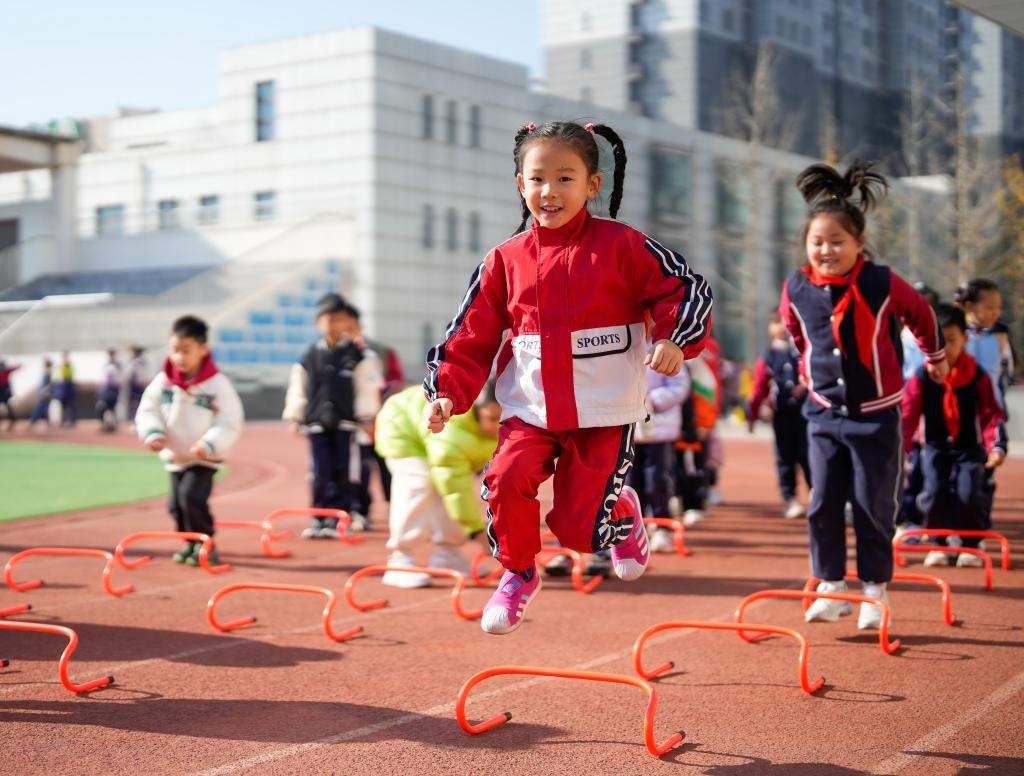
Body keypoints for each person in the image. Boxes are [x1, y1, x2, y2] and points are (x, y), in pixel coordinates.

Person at [424, 120, 713, 635]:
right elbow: (470, 333)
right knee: (505, 479)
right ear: (520, 185)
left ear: (592, 185)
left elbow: (686, 290)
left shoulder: (624, 246)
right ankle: (517, 574)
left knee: (582, 535)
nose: (549, 192)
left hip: (603, 412)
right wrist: (446, 392)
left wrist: (674, 339)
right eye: (536, 179)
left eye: (564, 178)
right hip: (530, 410)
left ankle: (620, 509)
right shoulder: (504, 261)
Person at [779, 160, 946, 630]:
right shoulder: (796, 285)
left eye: (837, 242)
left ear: (859, 244)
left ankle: (875, 591)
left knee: (873, 505)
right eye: (818, 243)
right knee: (823, 502)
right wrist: (809, 370)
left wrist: (935, 355)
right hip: (823, 413)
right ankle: (831, 587)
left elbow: (922, 315)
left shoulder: (881, 281)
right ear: (806, 246)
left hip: (876, 415)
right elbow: (795, 332)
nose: (826, 250)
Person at [901, 304, 1005, 567]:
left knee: (969, 492)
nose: (944, 349)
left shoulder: (976, 376)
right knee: (933, 491)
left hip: (968, 446)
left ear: (965, 340)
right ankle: (939, 542)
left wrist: (996, 446)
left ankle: (970, 544)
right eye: (938, 342)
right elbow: (908, 416)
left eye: (951, 341)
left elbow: (991, 413)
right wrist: (903, 450)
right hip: (934, 446)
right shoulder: (921, 377)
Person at [135, 316, 244, 566]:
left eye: (186, 351)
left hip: (203, 457)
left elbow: (230, 421)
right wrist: (153, 432)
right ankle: (189, 541)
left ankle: (207, 543)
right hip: (176, 456)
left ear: (203, 349)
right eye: (175, 350)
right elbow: (147, 409)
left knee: (191, 497)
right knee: (175, 506)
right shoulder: (163, 382)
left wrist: (209, 444)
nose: (180, 357)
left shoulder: (217, 385)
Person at [374, 383, 500, 587]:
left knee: (449, 490)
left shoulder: (496, 430)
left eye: (501, 420)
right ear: (477, 411)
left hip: (429, 434)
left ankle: (447, 554)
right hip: (401, 427)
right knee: (418, 484)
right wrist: (478, 533)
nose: (497, 426)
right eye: (492, 418)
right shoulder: (452, 434)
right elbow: (455, 489)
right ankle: (399, 559)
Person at [283, 294, 382, 539]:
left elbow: (365, 388)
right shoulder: (309, 356)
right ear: (318, 322)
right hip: (317, 423)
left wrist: (367, 416)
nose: (334, 325)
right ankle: (319, 519)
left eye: (339, 320)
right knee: (319, 472)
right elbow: (299, 387)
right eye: (328, 319)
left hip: (347, 424)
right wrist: (296, 416)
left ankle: (341, 517)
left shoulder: (357, 356)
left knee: (345, 472)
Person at [957, 278, 1012, 528]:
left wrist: (999, 413)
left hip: (987, 416)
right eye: (989, 306)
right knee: (948, 476)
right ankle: (944, 533)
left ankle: (978, 530)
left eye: (998, 307)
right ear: (968, 306)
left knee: (983, 475)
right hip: (956, 415)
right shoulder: (954, 336)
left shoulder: (1000, 336)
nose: (995, 312)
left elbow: (1005, 373)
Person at [747, 311, 810, 519]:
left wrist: (805, 386)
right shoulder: (769, 356)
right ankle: (790, 497)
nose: (781, 327)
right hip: (782, 413)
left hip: (807, 412)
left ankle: (817, 494)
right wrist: (752, 415)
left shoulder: (802, 349)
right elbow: (759, 386)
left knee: (809, 454)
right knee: (785, 456)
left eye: (784, 322)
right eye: (776, 322)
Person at [632, 344, 691, 552]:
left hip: (659, 430)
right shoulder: (622, 340)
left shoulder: (664, 345)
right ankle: (635, 527)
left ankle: (661, 525)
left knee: (658, 479)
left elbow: (679, 385)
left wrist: (651, 400)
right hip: (628, 430)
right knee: (630, 483)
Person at [96, 348, 121, 433]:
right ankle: (108, 425)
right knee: (105, 408)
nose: (111, 357)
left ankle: (111, 425)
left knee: (108, 407)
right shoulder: (107, 365)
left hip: (112, 389)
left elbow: (117, 380)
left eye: (112, 355)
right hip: (107, 389)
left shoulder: (116, 366)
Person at [28, 357, 54, 430]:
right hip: (45, 394)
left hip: (45, 395)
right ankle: (34, 422)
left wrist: (43, 393)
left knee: (40, 409)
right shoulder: (47, 372)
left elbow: (47, 385)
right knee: (42, 409)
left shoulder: (47, 373)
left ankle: (32, 422)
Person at [56, 351, 76, 427]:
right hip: (63, 387)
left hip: (68, 387)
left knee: (70, 405)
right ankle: (63, 420)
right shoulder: (62, 366)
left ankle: (71, 420)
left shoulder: (69, 366)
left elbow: (69, 376)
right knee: (63, 406)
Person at [0, 356, 20, 430]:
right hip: (5, 390)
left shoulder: (6, 370)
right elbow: (15, 367)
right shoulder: (6, 369)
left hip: (4, 390)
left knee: (7, 406)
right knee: (7, 406)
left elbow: (15, 367)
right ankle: (13, 419)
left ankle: (13, 419)